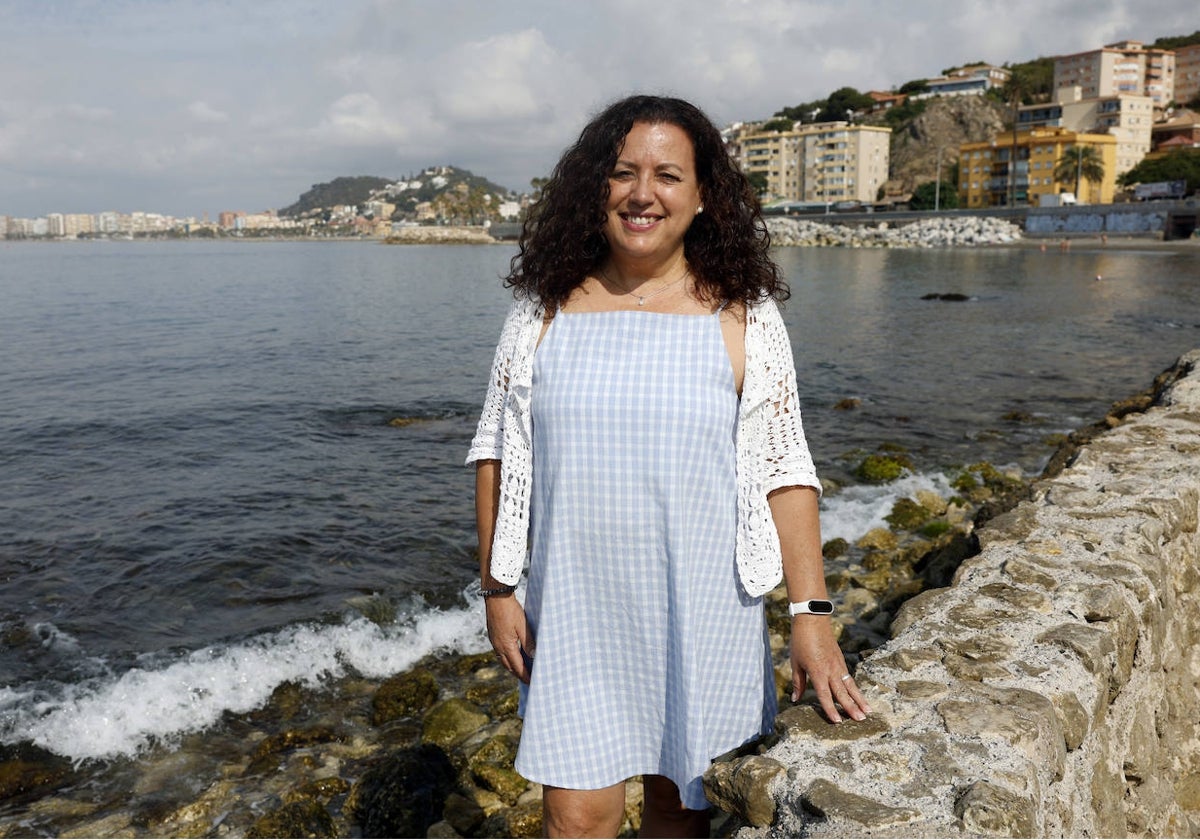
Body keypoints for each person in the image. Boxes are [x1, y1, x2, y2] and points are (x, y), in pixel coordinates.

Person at [466, 94, 869, 838]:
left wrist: (810, 618)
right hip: (576, 608)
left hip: (706, 607)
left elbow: (787, 470)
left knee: (678, 813)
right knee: (575, 820)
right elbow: (497, 452)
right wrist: (498, 589)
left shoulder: (744, 313)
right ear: (597, 188)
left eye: (668, 175)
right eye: (622, 173)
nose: (642, 193)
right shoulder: (540, 309)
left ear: (703, 194)